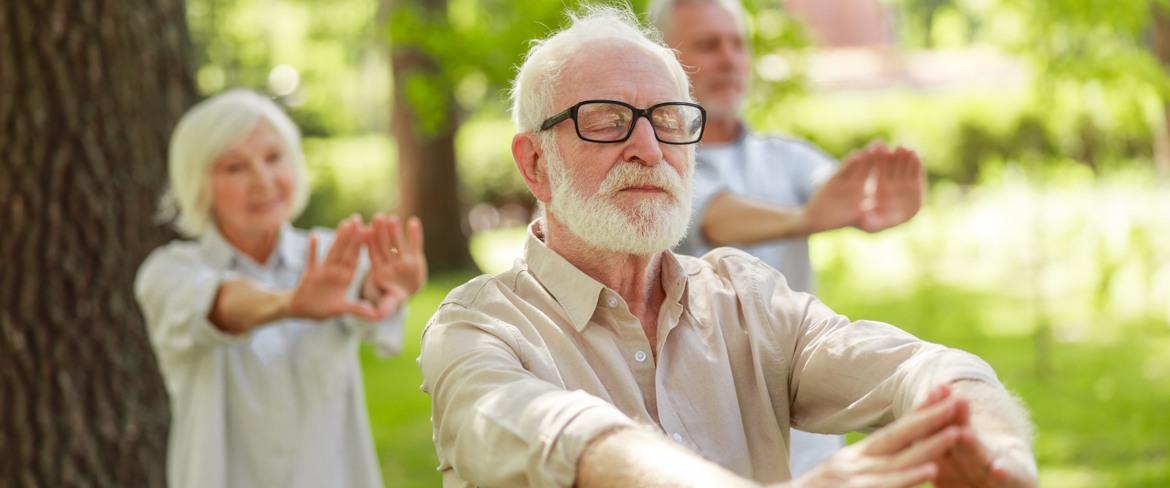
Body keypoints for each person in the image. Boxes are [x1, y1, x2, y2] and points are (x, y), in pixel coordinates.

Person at [419, 5, 1035, 488]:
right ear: (535, 163)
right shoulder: (477, 329)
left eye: (668, 120)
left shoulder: (746, 298)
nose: (649, 149)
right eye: (606, 121)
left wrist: (998, 449)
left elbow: (919, 367)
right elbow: (575, 443)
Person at [649, 0, 927, 475]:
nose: (729, 59)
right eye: (709, 45)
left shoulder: (786, 155)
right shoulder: (653, 162)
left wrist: (871, 203)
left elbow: (834, 189)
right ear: (663, 58)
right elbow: (715, 217)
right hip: (695, 430)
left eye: (738, 45)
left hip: (803, 429)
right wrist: (806, 217)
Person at [134, 89, 427, 488]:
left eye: (274, 158)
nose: (263, 181)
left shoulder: (331, 254)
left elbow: (367, 295)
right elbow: (220, 304)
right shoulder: (170, 271)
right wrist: (292, 303)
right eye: (234, 167)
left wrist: (386, 287)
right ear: (198, 181)